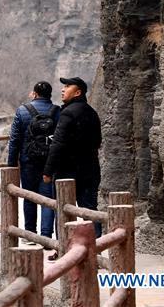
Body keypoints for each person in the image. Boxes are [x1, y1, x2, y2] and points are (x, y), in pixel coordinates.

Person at [43, 76, 103, 237]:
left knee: (64, 211)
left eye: (68, 86)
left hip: (67, 172)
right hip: (90, 170)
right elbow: (98, 141)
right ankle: (95, 249)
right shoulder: (92, 113)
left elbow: (58, 144)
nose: (63, 89)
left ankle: (64, 249)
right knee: (90, 211)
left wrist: (48, 171)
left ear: (77, 92)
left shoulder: (68, 113)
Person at [7, 81, 59, 239]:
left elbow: (14, 140)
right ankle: (46, 236)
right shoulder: (58, 111)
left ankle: (30, 234)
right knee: (47, 199)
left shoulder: (22, 111)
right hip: (49, 163)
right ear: (50, 94)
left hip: (28, 161)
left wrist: (11, 165)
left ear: (34, 93)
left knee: (29, 197)